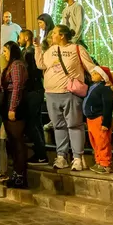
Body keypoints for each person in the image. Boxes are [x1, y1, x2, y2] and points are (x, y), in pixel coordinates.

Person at [34, 24, 96, 171]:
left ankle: (77, 157)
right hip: (51, 94)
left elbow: (90, 67)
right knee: (58, 126)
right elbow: (41, 65)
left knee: (74, 125)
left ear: (62, 35)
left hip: (70, 93)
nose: (51, 35)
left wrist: (104, 80)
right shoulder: (51, 50)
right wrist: (37, 48)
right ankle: (61, 156)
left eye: (54, 33)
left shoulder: (76, 49)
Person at [0, 41, 29, 188]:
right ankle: (16, 173)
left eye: (6, 51)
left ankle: (20, 176)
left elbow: (17, 86)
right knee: (11, 141)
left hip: (14, 102)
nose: (4, 54)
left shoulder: (17, 65)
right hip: (7, 101)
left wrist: (13, 108)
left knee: (17, 141)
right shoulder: (9, 65)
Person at [18, 29, 48, 164]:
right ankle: (41, 152)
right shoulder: (26, 51)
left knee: (32, 123)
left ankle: (41, 153)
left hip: (33, 90)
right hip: (34, 90)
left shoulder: (29, 53)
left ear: (26, 38)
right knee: (36, 123)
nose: (18, 39)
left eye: (20, 36)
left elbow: (30, 72)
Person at [83, 65, 113, 174]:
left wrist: (106, 122)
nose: (92, 75)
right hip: (91, 119)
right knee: (95, 142)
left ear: (102, 76)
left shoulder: (105, 89)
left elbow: (108, 106)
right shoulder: (93, 87)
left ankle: (105, 164)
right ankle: (98, 161)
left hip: (99, 119)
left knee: (102, 142)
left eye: (95, 73)